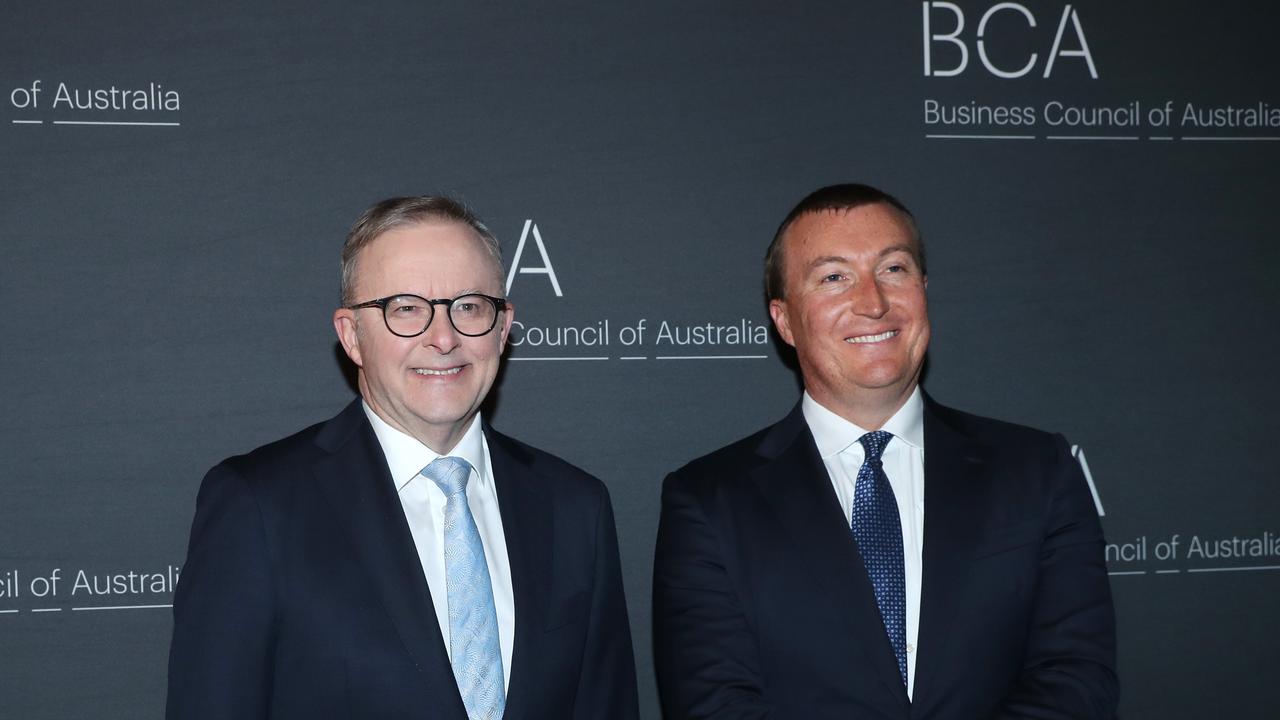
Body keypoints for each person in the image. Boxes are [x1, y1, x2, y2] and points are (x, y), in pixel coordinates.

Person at [653, 184, 1117, 719]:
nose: (872, 303)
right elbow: (715, 704)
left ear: (923, 288)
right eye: (833, 278)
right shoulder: (709, 501)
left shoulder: (1039, 470)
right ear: (784, 321)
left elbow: (1076, 677)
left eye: (893, 269)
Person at [167, 196, 639, 719]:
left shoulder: (574, 506)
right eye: (406, 308)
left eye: (469, 306)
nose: (443, 337)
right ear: (352, 336)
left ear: (503, 329)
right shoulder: (259, 506)